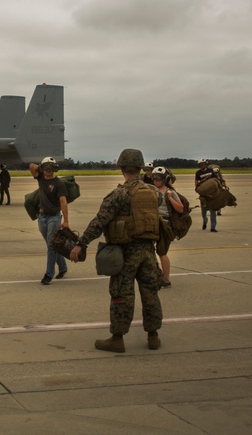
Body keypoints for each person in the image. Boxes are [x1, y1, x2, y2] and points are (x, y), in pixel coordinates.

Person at [69, 148, 163, 353]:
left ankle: (117, 338)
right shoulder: (154, 192)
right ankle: (153, 336)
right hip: (148, 251)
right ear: (140, 167)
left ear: (122, 168)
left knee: (122, 294)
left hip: (126, 251)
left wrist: (81, 243)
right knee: (151, 293)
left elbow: (100, 221)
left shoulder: (119, 194)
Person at [29, 157, 70, 285]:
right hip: (42, 217)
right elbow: (31, 166)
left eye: (51, 167)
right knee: (51, 244)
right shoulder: (40, 179)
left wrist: (66, 221)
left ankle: (48, 274)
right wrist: (42, 167)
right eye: (46, 167)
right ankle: (63, 267)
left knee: (51, 246)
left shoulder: (59, 183)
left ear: (55, 169)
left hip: (54, 217)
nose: (48, 170)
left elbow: (63, 202)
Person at [150, 166, 184, 288]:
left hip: (165, 224)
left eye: (158, 179)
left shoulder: (170, 192)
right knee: (148, 250)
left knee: (162, 252)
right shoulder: (151, 190)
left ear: (164, 179)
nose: (155, 181)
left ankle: (166, 279)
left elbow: (180, 208)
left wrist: (169, 198)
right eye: (153, 178)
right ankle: (154, 275)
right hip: (152, 222)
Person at [195, 159, 218, 232]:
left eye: (203, 164)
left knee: (213, 211)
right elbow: (196, 182)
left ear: (206, 164)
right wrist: (197, 189)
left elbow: (216, 179)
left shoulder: (211, 171)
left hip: (212, 195)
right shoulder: (198, 173)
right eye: (201, 165)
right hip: (203, 195)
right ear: (199, 166)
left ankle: (213, 227)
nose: (202, 166)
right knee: (203, 212)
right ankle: (205, 221)